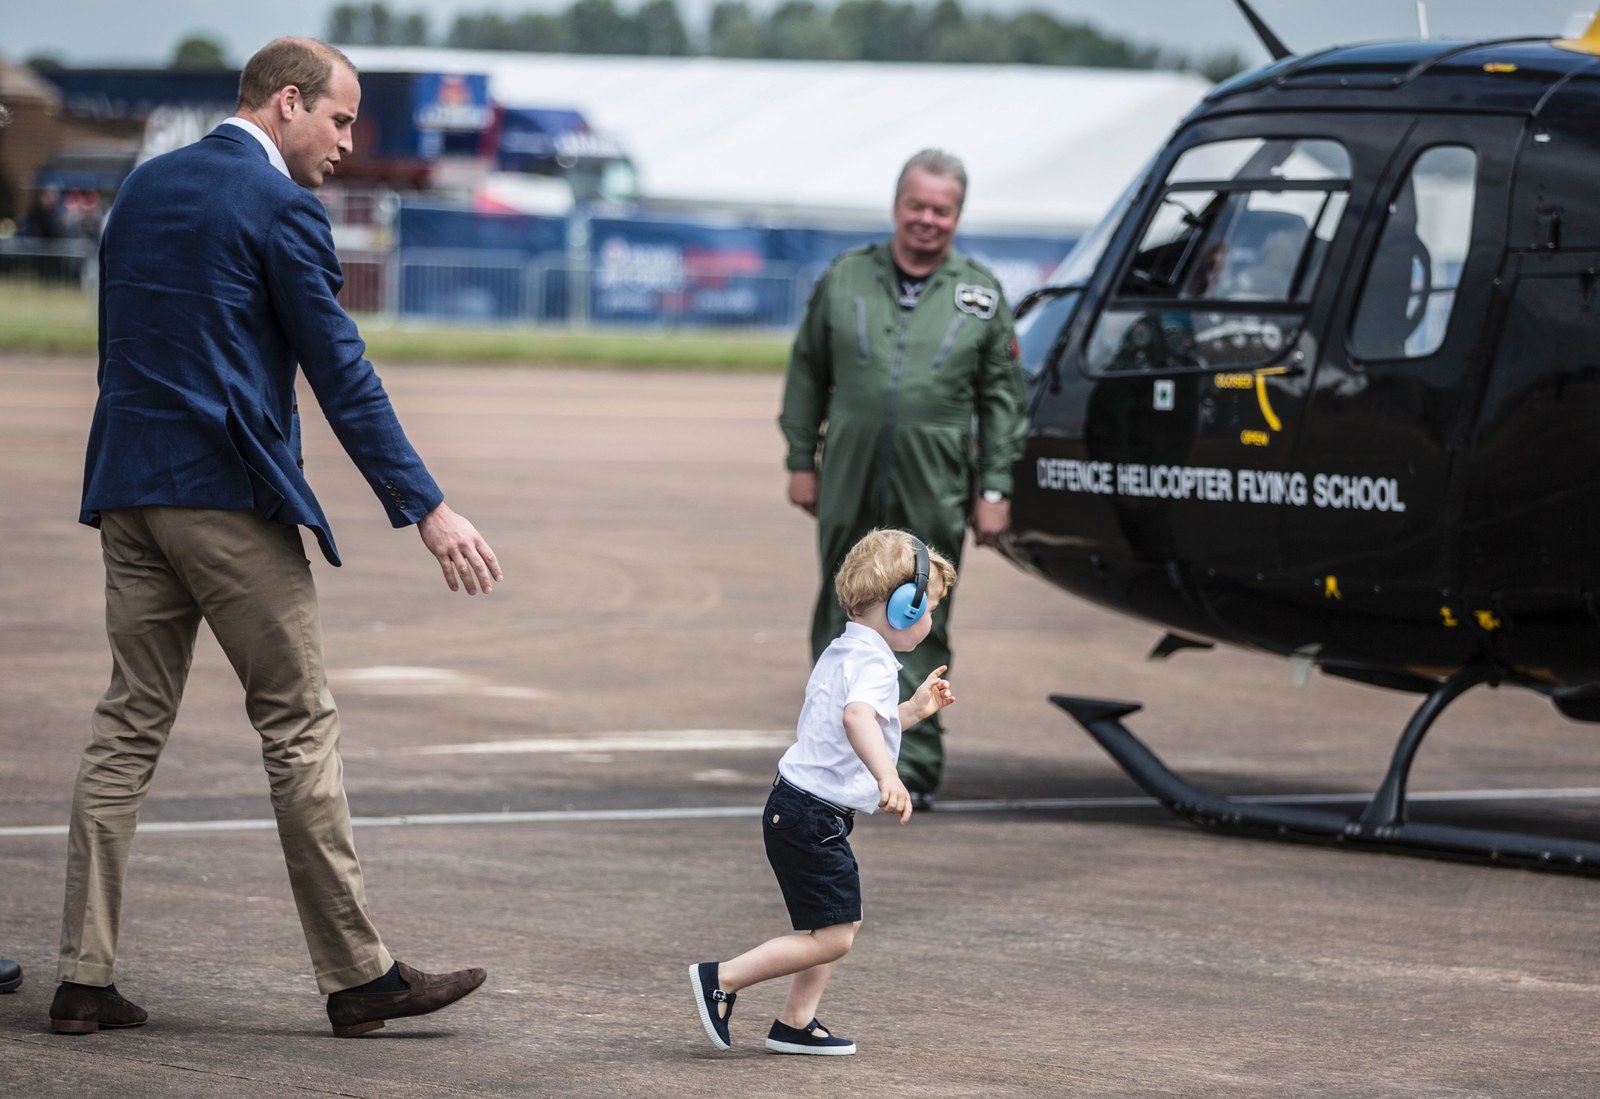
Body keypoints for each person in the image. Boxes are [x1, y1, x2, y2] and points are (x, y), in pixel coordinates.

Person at [52, 37, 499, 1039]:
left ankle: (83, 974)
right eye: (339, 120)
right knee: (298, 727)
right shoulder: (280, 205)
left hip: (126, 487)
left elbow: (120, 344)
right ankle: (359, 975)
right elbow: (340, 369)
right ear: (287, 103)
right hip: (224, 497)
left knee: (125, 727)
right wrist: (426, 505)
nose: (347, 142)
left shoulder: (144, 189)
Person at [779, 148, 1028, 806]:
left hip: (935, 474)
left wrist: (995, 488)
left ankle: (910, 762)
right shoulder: (846, 277)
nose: (926, 219)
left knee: (920, 613)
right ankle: (829, 757)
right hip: (850, 468)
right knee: (841, 605)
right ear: (897, 206)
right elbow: (808, 371)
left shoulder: (980, 293)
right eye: (916, 205)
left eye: (941, 210)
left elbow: (1002, 399)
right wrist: (801, 459)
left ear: (957, 215)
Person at [690, 529, 957, 1056]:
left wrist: (914, 712)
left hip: (799, 808)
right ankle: (721, 978)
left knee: (837, 921)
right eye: (931, 608)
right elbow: (858, 717)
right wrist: (889, 778)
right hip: (812, 815)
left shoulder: (845, 649)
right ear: (906, 607)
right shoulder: (876, 664)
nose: (932, 620)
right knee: (835, 934)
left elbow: (863, 724)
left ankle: (795, 1022)